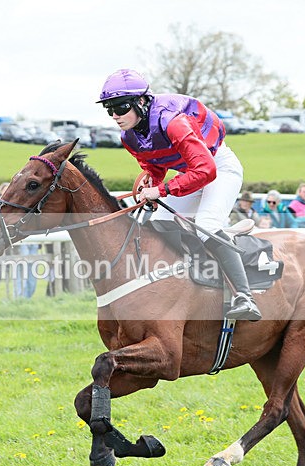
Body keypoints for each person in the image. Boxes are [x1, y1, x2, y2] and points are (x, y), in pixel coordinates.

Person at [96, 68, 260, 320]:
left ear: (141, 101)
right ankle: (189, 282)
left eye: (120, 107)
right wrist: (150, 182)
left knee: (206, 224)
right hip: (193, 172)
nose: (115, 116)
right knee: (159, 222)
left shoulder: (172, 121)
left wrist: (160, 190)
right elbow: (155, 165)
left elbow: (206, 170)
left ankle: (244, 296)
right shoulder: (128, 136)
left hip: (219, 168)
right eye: (109, 109)